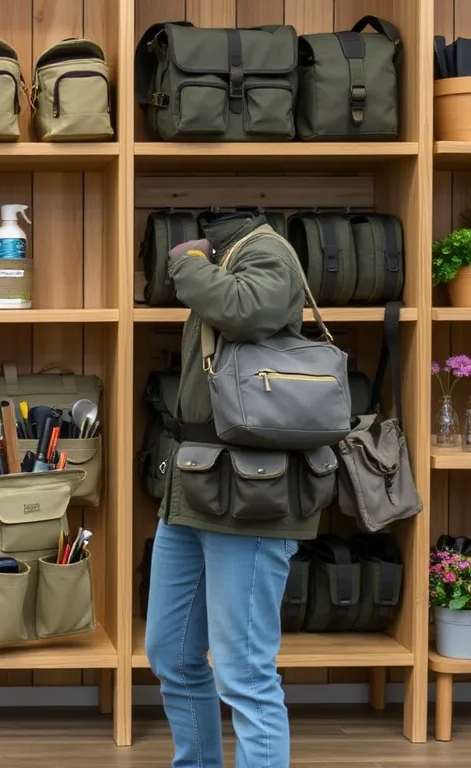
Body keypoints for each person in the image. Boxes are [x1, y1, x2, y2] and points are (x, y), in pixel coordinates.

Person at [145, 211, 319, 768]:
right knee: (170, 653)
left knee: (244, 670)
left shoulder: (267, 251)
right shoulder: (230, 257)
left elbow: (249, 310)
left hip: (251, 499)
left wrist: (187, 261)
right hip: (195, 488)